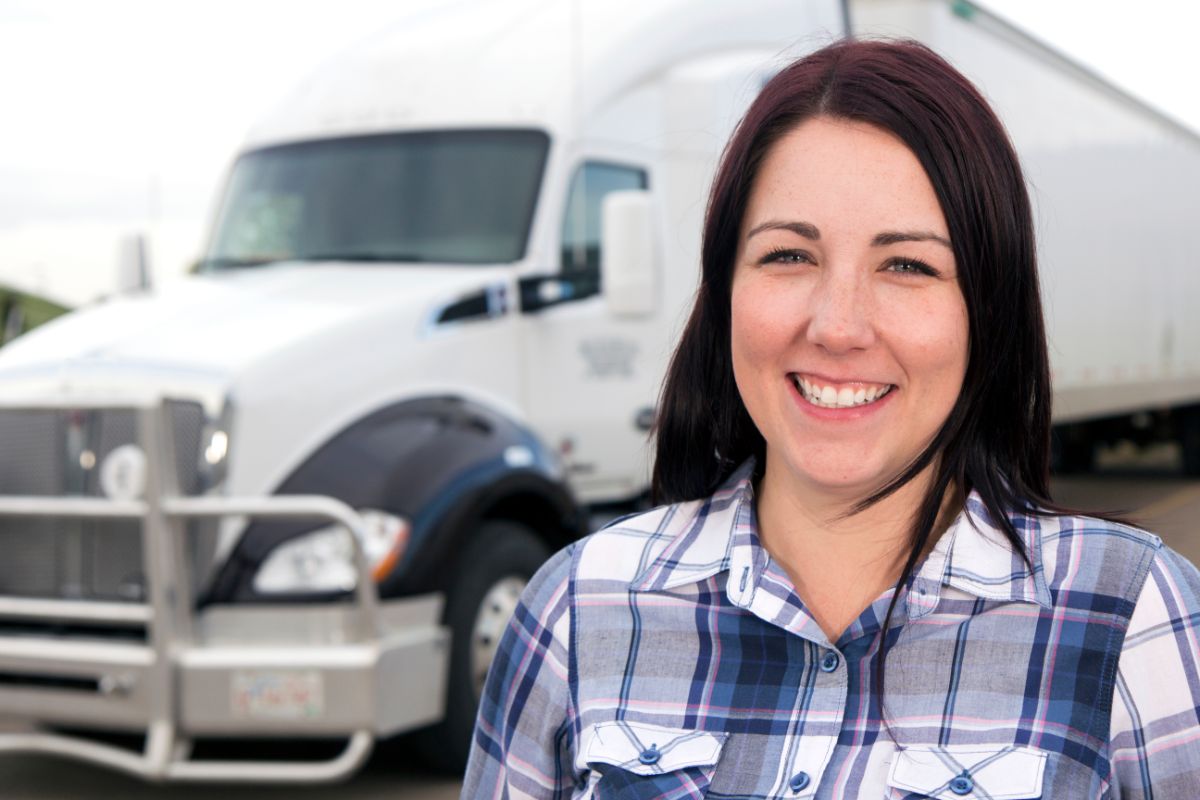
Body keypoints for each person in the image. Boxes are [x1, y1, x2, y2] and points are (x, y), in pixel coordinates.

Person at [461, 38, 1200, 799]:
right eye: (789, 256)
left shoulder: (1133, 622)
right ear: (723, 293)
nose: (838, 325)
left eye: (907, 265)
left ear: (988, 310)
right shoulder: (577, 613)